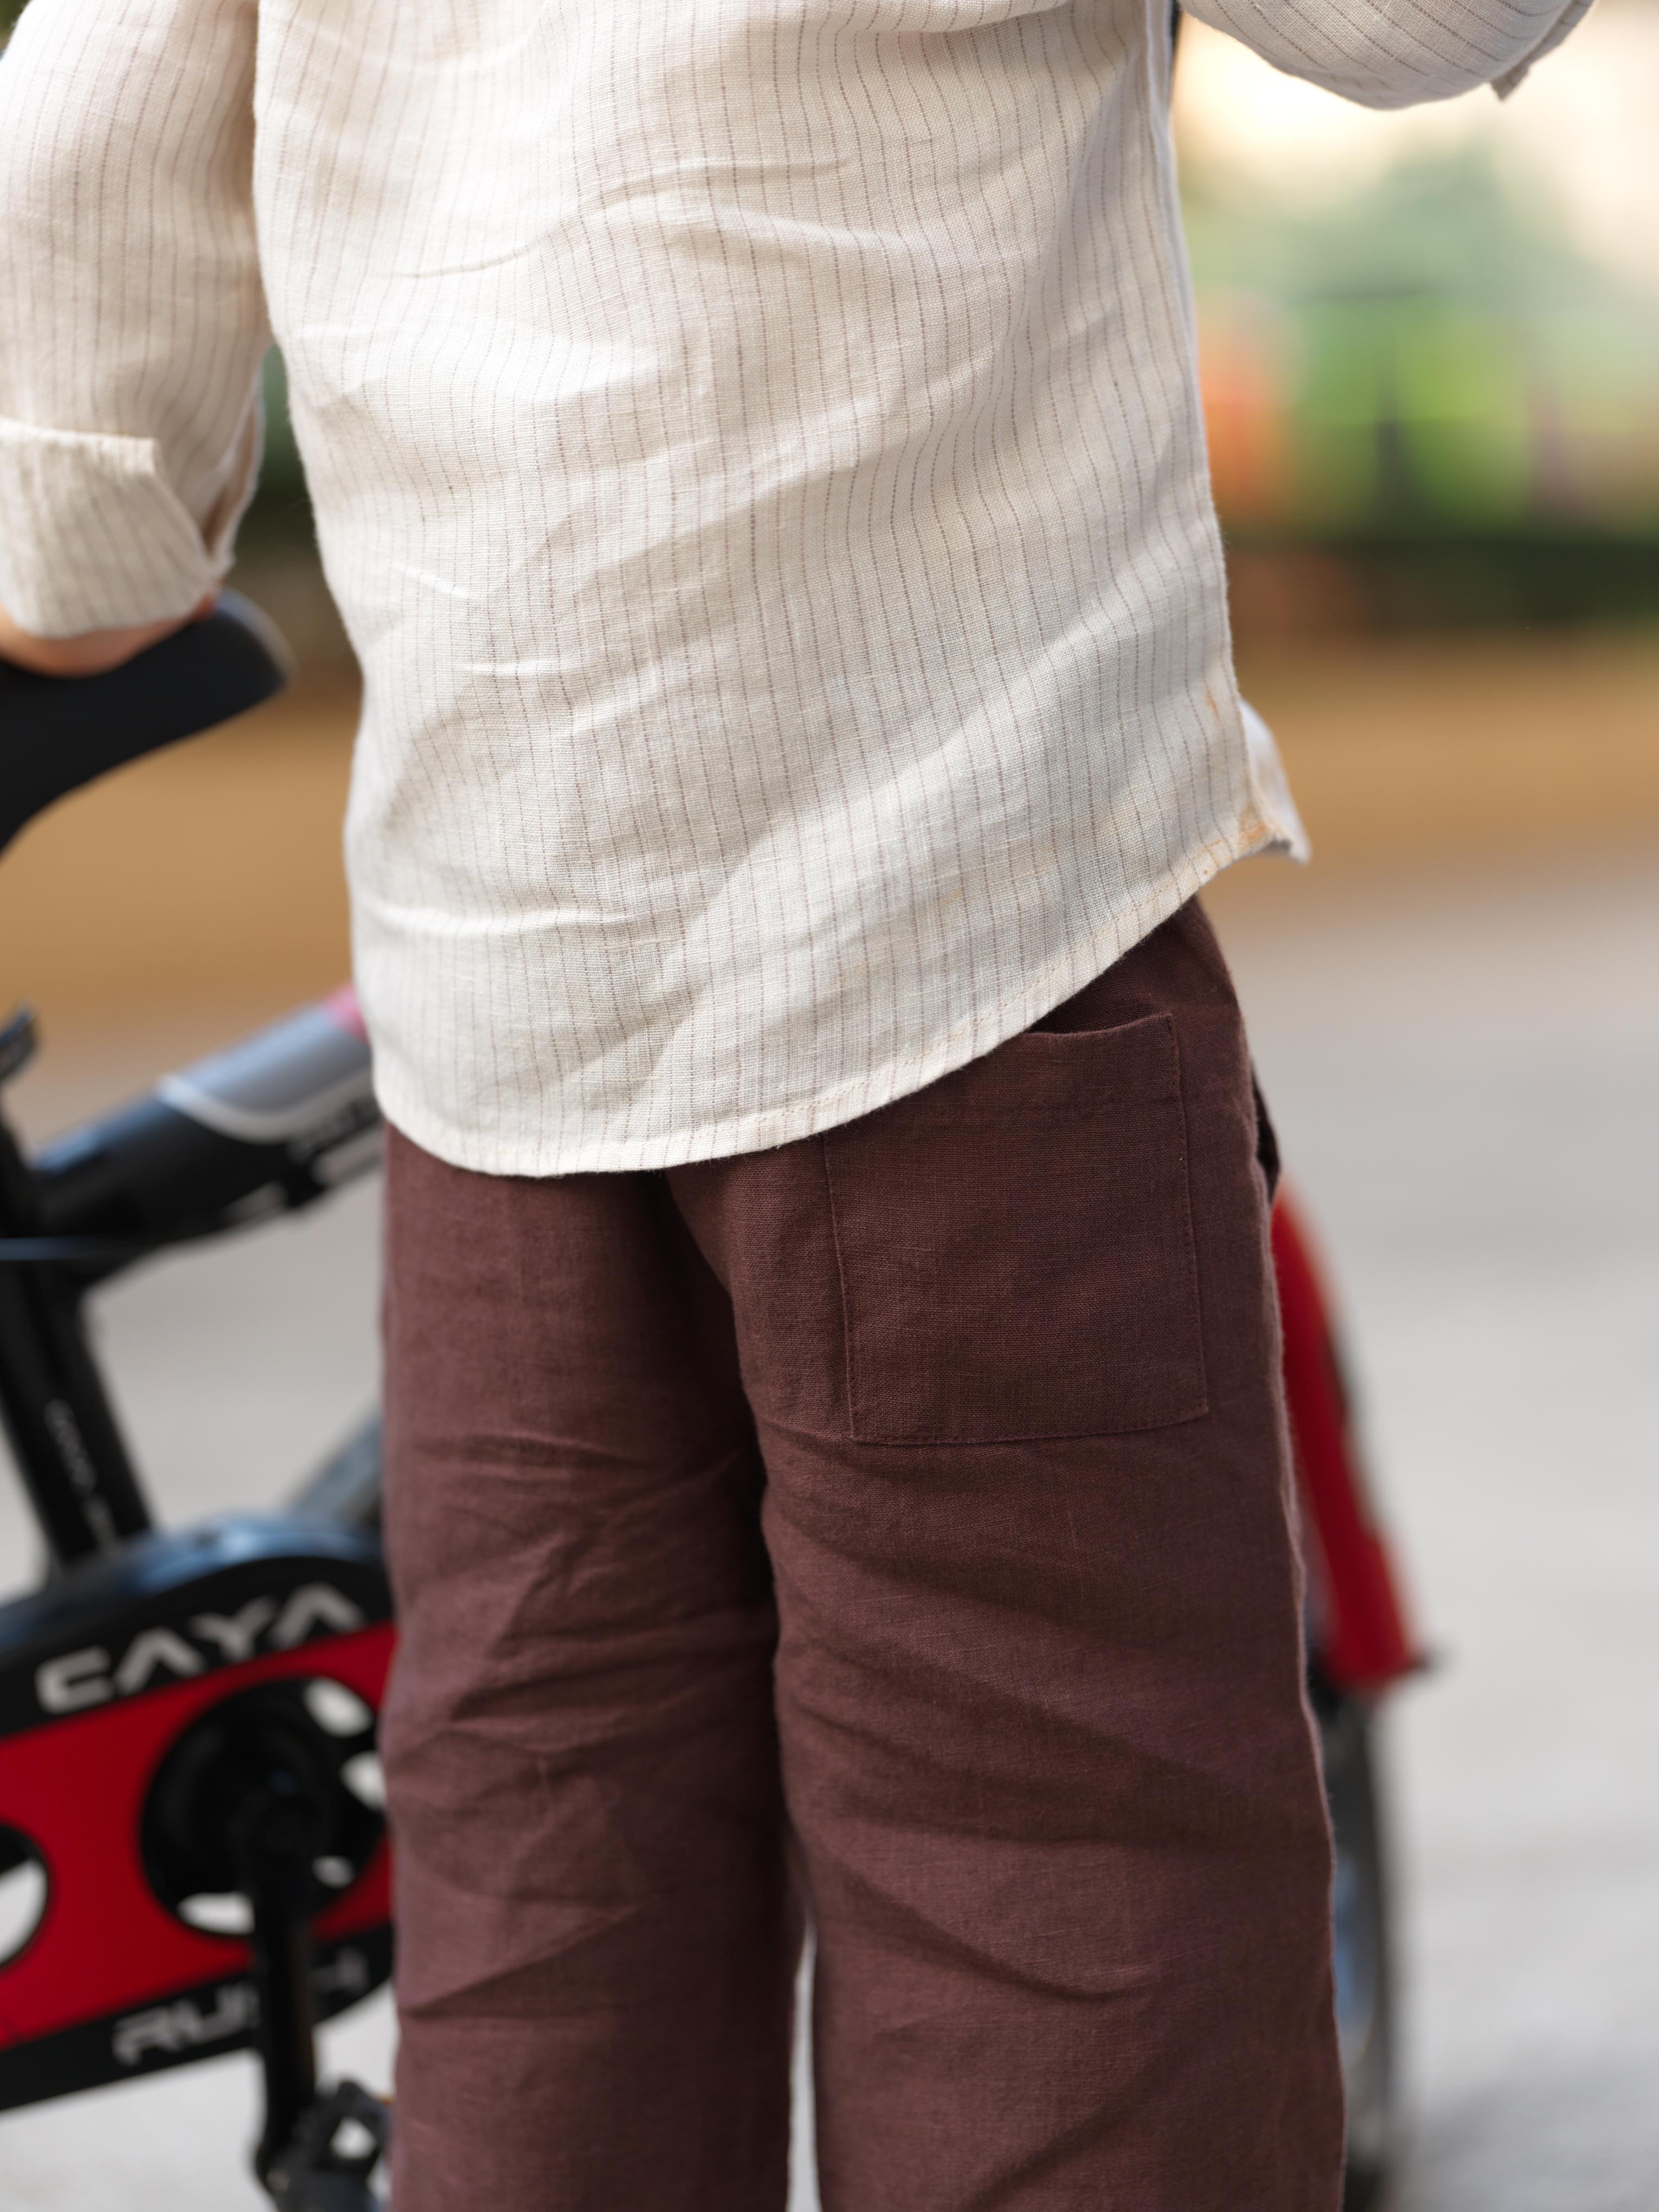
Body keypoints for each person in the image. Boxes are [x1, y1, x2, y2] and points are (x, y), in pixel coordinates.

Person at [0, 0, 1587, 2203]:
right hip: (962, 934)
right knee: (1057, 1898)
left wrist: (74, 539)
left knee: (550, 1902)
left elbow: (87, 154)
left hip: (501, 969)